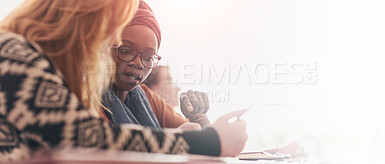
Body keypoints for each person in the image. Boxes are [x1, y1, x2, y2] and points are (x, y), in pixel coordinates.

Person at [0, 0, 247, 160]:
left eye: (149, 57)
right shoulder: (11, 51)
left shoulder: (31, 61)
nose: (113, 43)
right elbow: (89, 139)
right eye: (113, 30)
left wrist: (202, 127)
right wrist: (207, 141)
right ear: (86, 17)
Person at [102, 0, 210, 129]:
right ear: (104, 47)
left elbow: (207, 141)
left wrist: (197, 116)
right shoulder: (83, 101)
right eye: (125, 51)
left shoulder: (146, 96)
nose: (138, 63)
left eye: (148, 58)